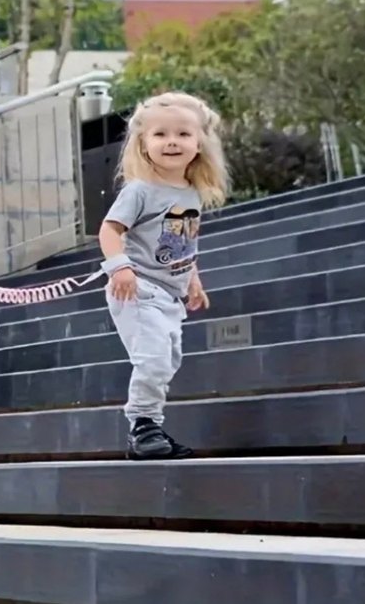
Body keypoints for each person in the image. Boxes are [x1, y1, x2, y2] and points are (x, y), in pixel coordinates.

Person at [97, 92, 228, 460]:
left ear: (199, 143)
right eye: (161, 134)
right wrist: (120, 267)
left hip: (170, 295)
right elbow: (109, 231)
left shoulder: (191, 192)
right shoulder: (140, 190)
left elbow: (184, 242)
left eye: (183, 134)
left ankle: (150, 424)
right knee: (152, 360)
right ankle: (143, 427)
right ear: (143, 143)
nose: (172, 142)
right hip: (137, 287)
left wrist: (193, 280)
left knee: (168, 361)